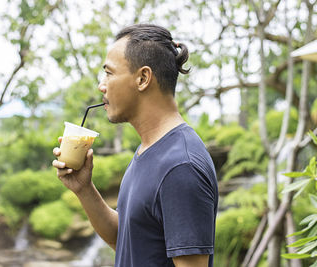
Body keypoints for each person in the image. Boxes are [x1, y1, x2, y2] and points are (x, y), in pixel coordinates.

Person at [52, 24, 218, 267]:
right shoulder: (148, 150)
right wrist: (84, 189)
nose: (102, 85)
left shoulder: (181, 167)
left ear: (143, 78)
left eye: (109, 73)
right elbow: (127, 241)